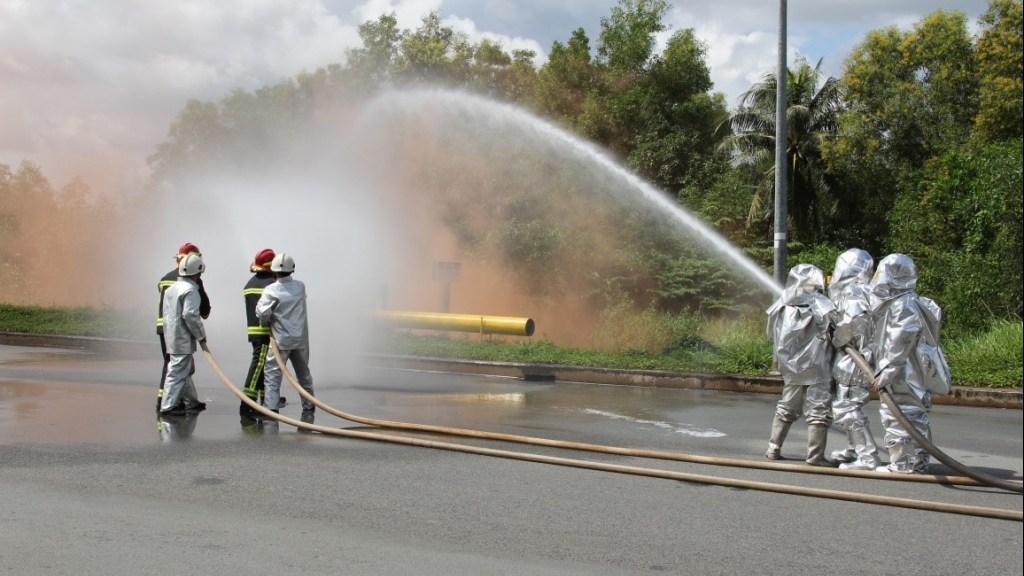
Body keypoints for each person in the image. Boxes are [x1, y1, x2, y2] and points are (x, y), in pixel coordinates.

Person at [869, 253, 950, 474]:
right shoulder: (911, 301)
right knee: (915, 416)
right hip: (913, 371)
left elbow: (900, 338)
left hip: (903, 373)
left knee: (899, 414)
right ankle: (918, 462)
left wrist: (888, 369)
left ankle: (902, 464)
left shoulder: (902, 305)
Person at [765, 263, 838, 466]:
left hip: (790, 367)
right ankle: (815, 456)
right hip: (818, 367)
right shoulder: (822, 304)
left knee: (786, 407)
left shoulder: (782, 303)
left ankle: (773, 448)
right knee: (818, 411)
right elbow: (840, 334)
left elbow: (771, 334)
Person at [827, 249, 881, 471]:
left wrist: (837, 336)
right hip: (859, 356)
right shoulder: (866, 289)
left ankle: (867, 458)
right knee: (850, 404)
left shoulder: (854, 291)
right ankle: (853, 448)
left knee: (847, 407)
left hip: (855, 358)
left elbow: (853, 322)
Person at [255, 252, 315, 431]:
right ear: (292, 269)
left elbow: (262, 313)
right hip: (300, 339)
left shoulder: (271, 290)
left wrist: (266, 323)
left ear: (273, 272)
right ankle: (309, 404)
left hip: (280, 340)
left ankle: (271, 408)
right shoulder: (300, 286)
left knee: (273, 375)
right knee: (303, 373)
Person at [156, 243, 210, 411]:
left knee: (185, 368)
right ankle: (168, 406)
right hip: (182, 336)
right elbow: (190, 315)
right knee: (177, 370)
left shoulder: (172, 287)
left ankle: (190, 402)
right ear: (197, 271)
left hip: (171, 334)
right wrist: (201, 335)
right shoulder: (191, 289)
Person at [240, 248, 286, 425]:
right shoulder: (271, 285)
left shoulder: (249, 283)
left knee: (263, 366)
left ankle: (264, 397)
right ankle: (247, 403)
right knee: (259, 365)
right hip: (265, 331)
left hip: (253, 330)